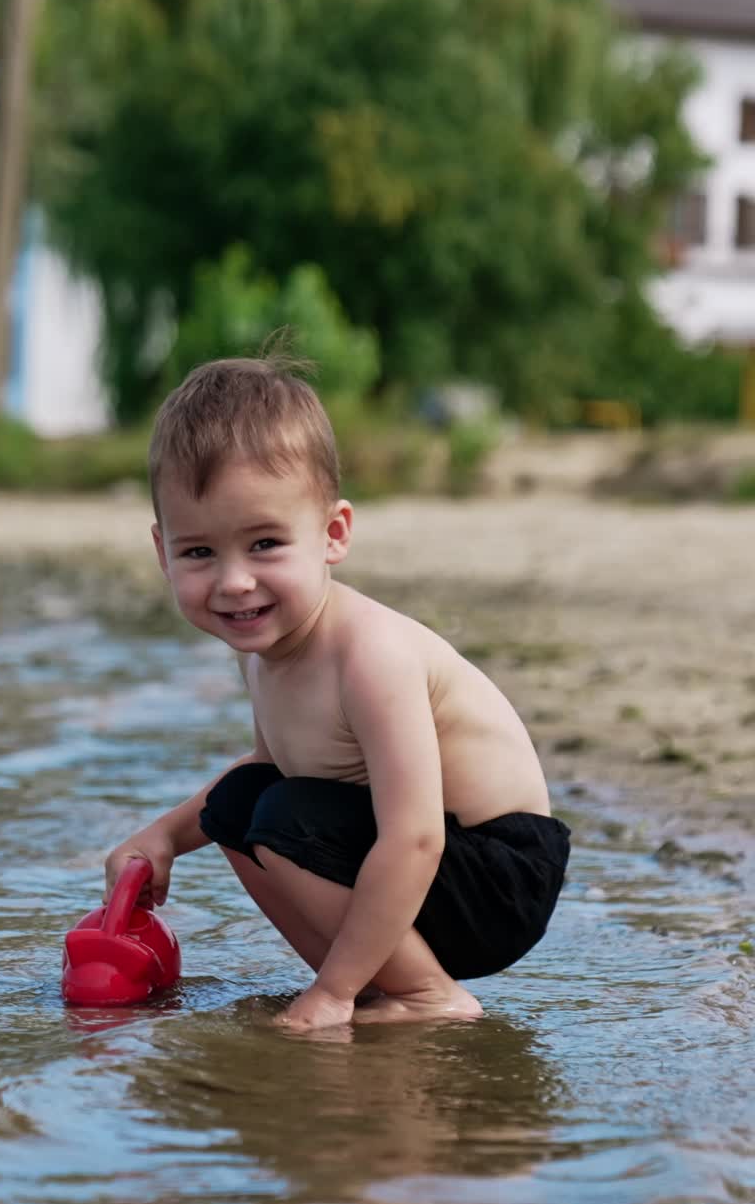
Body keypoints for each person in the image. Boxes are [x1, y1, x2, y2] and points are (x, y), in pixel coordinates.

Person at [103, 357, 570, 1032]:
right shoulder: (264, 655)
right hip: (418, 862)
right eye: (199, 553)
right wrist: (164, 836)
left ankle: (418, 993)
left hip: (495, 875)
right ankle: (373, 981)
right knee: (240, 805)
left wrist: (331, 992)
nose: (234, 582)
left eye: (264, 544)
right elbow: (267, 771)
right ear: (162, 551)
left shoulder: (369, 656)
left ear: (334, 534)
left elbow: (415, 838)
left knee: (284, 816)